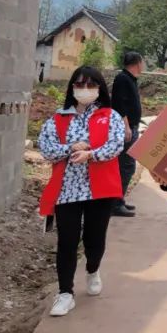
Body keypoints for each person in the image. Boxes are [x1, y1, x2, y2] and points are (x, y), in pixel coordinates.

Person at [38, 66, 127, 317]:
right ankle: (65, 293)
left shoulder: (110, 116)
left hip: (100, 189)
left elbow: (115, 145)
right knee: (67, 240)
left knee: (94, 239)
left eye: (90, 85)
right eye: (79, 84)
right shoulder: (58, 119)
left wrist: (91, 154)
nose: (85, 89)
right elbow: (46, 148)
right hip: (67, 189)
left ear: (99, 88)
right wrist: (70, 148)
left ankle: (92, 268)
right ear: (72, 88)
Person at [110, 51, 145, 217]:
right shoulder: (122, 79)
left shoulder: (130, 79)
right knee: (126, 166)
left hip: (132, 127)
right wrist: (126, 127)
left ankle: (119, 200)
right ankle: (115, 204)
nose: (143, 65)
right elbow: (119, 105)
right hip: (127, 129)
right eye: (142, 62)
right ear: (137, 63)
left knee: (127, 166)